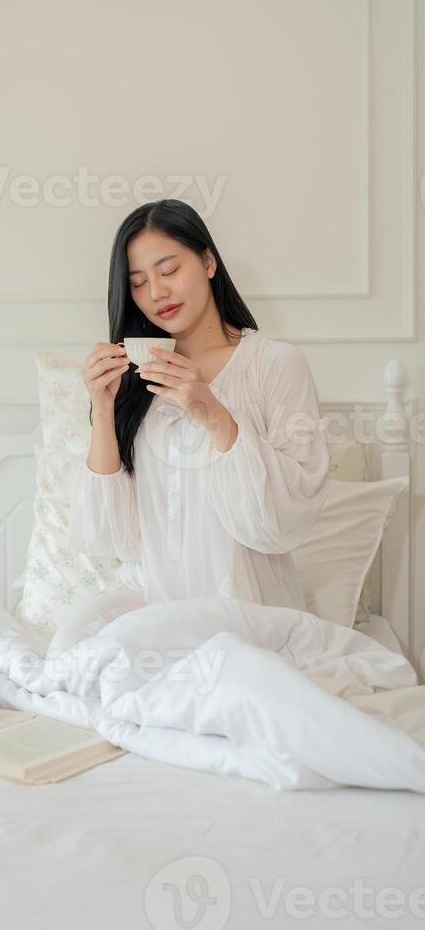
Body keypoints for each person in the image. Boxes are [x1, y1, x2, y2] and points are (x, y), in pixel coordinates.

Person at [65, 198, 331, 638]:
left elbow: (285, 520)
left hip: (247, 616)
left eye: (169, 271)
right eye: (138, 283)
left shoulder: (276, 364)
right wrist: (102, 408)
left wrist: (209, 409)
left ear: (208, 261)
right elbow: (108, 536)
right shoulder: (135, 379)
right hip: (150, 614)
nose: (156, 293)